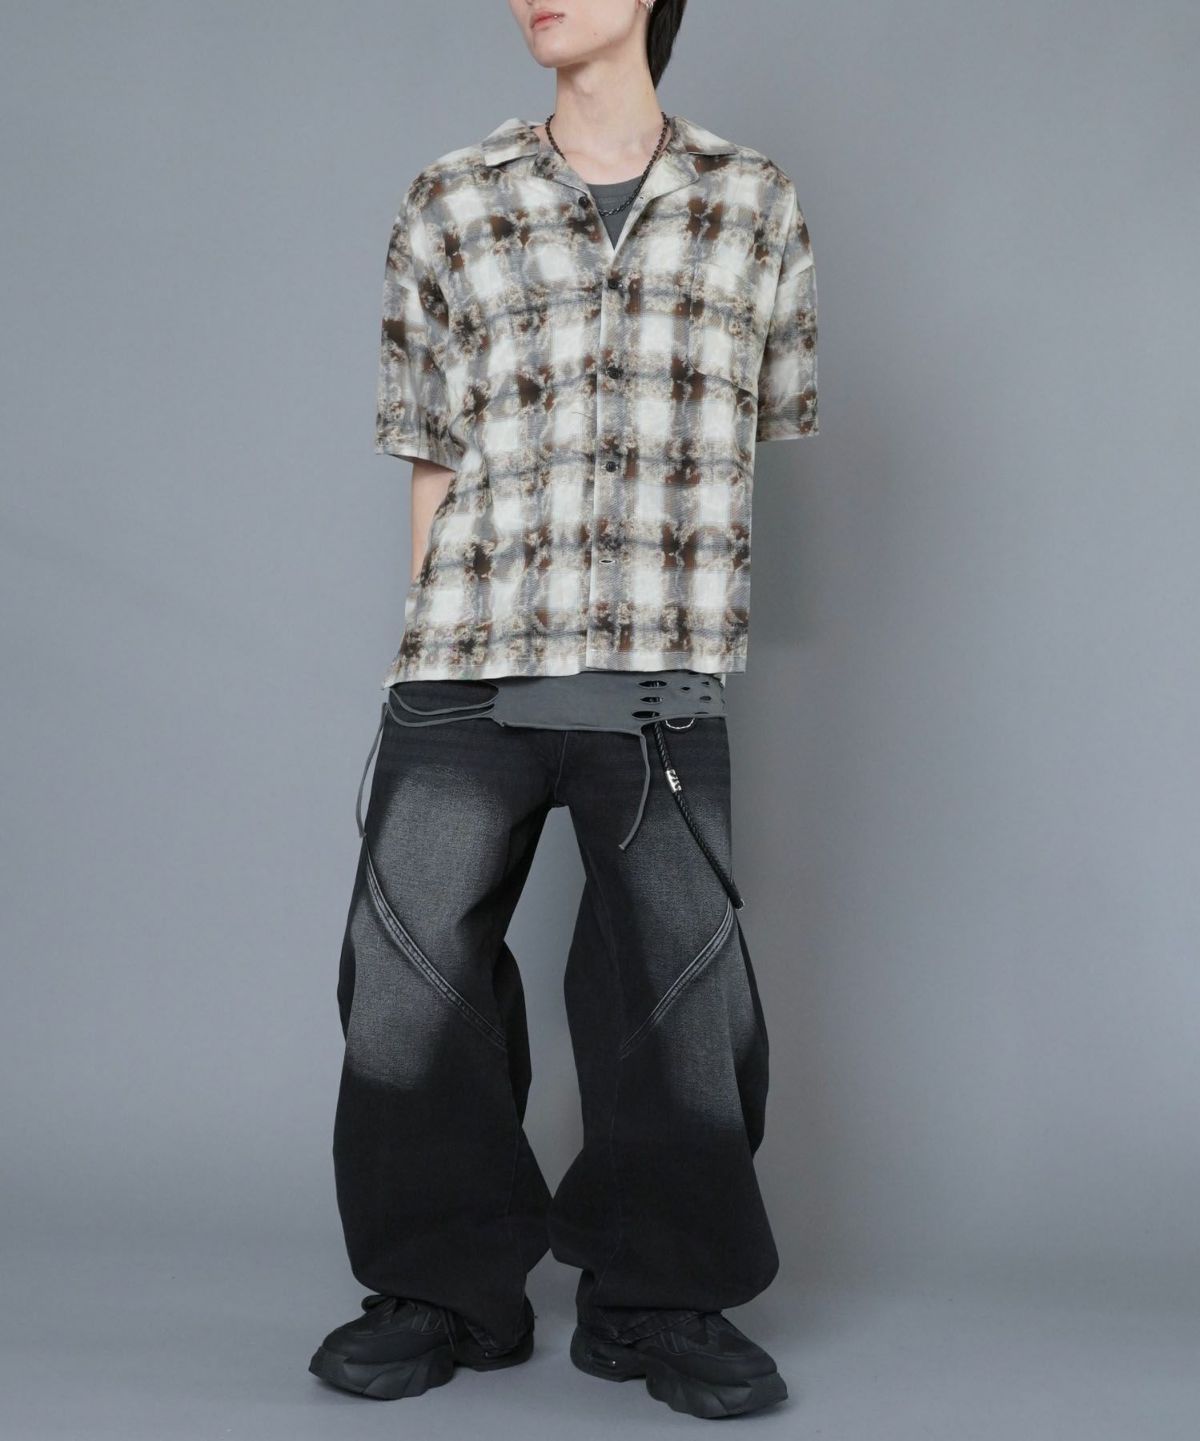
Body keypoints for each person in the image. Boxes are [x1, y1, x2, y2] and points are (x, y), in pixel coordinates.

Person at [307, 0, 818, 1420]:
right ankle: (440, 1289)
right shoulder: (450, 198)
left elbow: (756, 433)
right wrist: (424, 653)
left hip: (655, 671)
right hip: (466, 659)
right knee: (407, 985)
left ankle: (660, 1299)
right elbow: (430, 447)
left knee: (681, 997)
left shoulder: (753, 204)